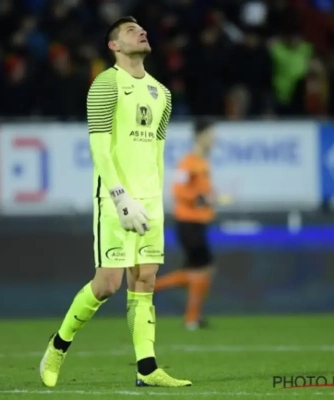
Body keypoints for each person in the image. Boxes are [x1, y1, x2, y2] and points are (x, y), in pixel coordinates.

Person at [39, 16, 192, 388]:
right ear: (114, 46)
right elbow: (99, 147)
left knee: (145, 280)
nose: (141, 32)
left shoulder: (162, 93)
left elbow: (157, 152)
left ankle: (147, 369)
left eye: (142, 29)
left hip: (150, 199)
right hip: (115, 199)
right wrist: (120, 196)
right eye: (130, 31)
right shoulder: (106, 84)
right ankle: (58, 345)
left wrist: (156, 198)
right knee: (107, 284)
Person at [154, 120, 216, 330]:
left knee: (199, 270)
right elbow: (178, 189)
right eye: (210, 135)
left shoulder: (202, 163)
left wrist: (208, 200)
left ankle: (192, 317)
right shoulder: (188, 163)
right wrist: (199, 198)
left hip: (198, 223)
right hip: (188, 223)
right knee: (202, 269)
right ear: (199, 137)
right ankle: (151, 289)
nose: (213, 140)